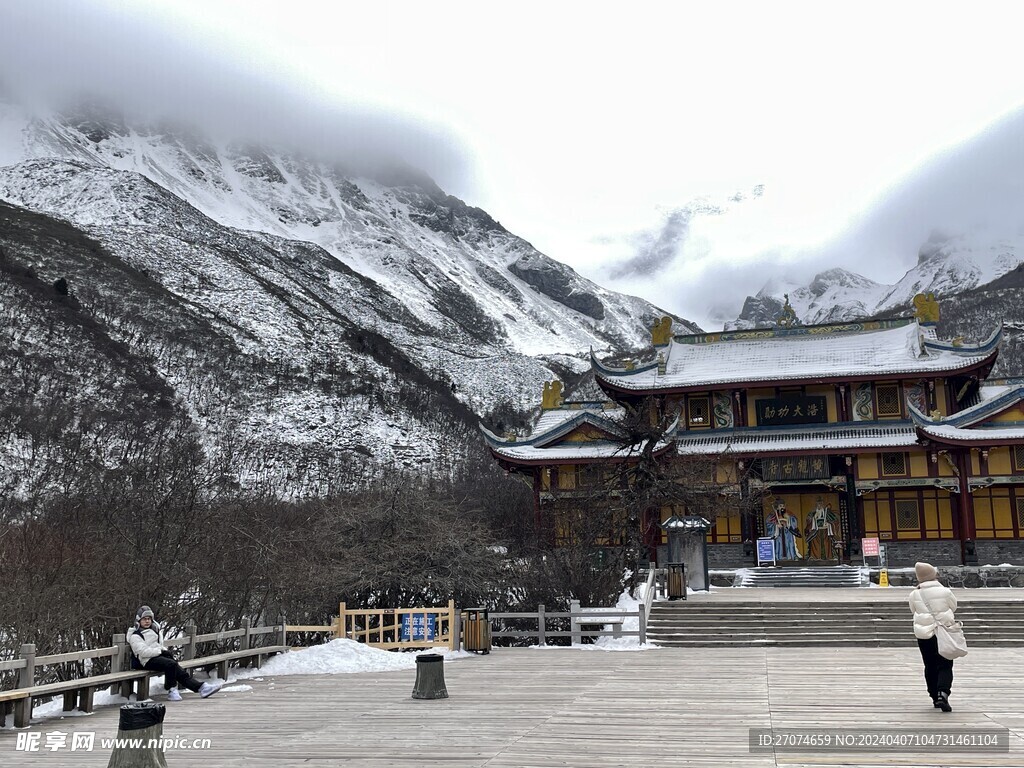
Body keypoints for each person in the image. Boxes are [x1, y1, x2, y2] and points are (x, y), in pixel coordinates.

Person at [128, 606, 220, 701]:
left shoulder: (155, 630)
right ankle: (172, 689)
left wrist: (164, 651)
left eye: (149, 619)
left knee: (177, 668)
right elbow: (143, 652)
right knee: (170, 664)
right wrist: (160, 651)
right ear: (139, 620)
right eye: (144, 619)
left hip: (155, 657)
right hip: (144, 661)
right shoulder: (135, 635)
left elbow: (158, 645)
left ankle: (201, 687)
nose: (147, 621)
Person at [909, 563, 957, 712]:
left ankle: (934, 697)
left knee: (929, 665)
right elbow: (953, 606)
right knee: (945, 664)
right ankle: (943, 693)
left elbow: (913, 610)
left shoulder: (914, 594)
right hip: (943, 631)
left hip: (924, 634)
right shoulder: (945, 591)